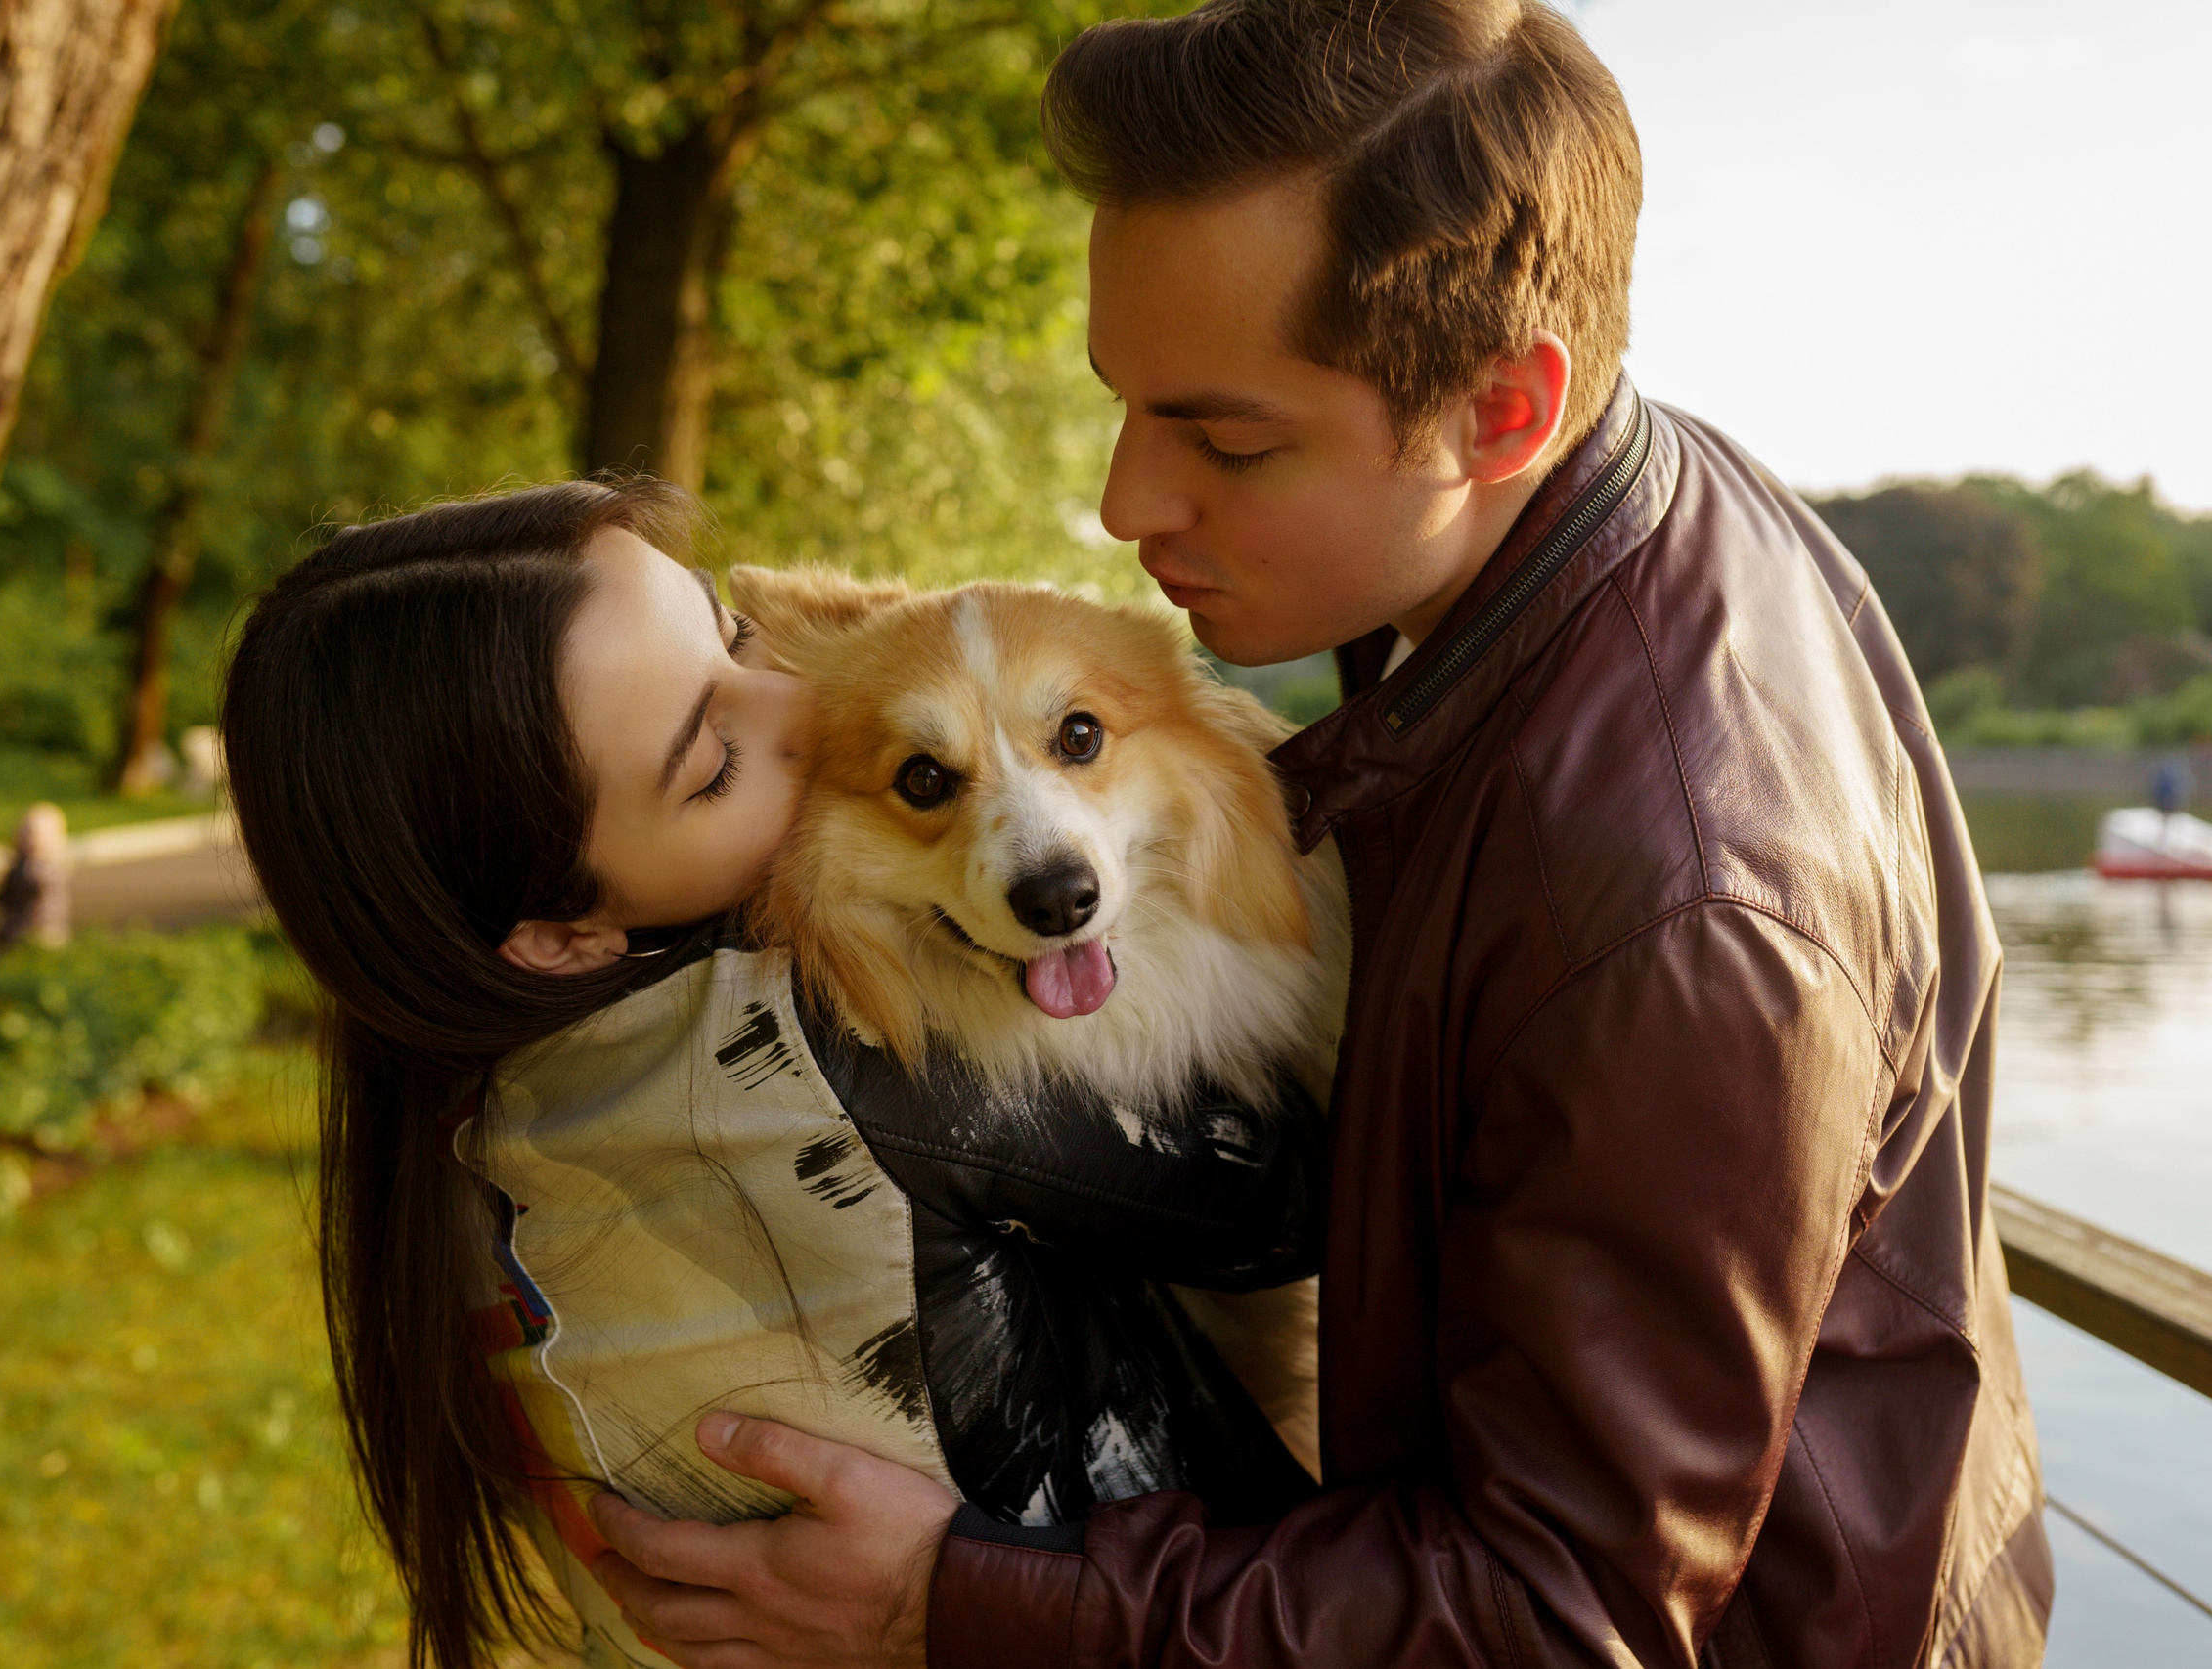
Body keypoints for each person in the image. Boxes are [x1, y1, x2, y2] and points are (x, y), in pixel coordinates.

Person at [583, 0, 2052, 1665]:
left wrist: (953, 1600)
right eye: (1127, 403)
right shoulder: (1561, 521)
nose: (1126, 503)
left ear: (1502, 408)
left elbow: (1559, 1615)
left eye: (1226, 438)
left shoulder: (1675, 908)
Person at [217, 479, 1325, 1669]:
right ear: (559, 930)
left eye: (732, 635)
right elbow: (1307, 1206)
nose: (801, 702)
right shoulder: (838, 1057)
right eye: (711, 761)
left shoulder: (499, 1096)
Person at [0, 801, 71, 954]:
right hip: (13, 927)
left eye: (34, 833)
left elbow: (47, 904)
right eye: (25, 831)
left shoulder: (48, 870)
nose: (28, 838)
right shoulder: (18, 865)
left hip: (41, 930)